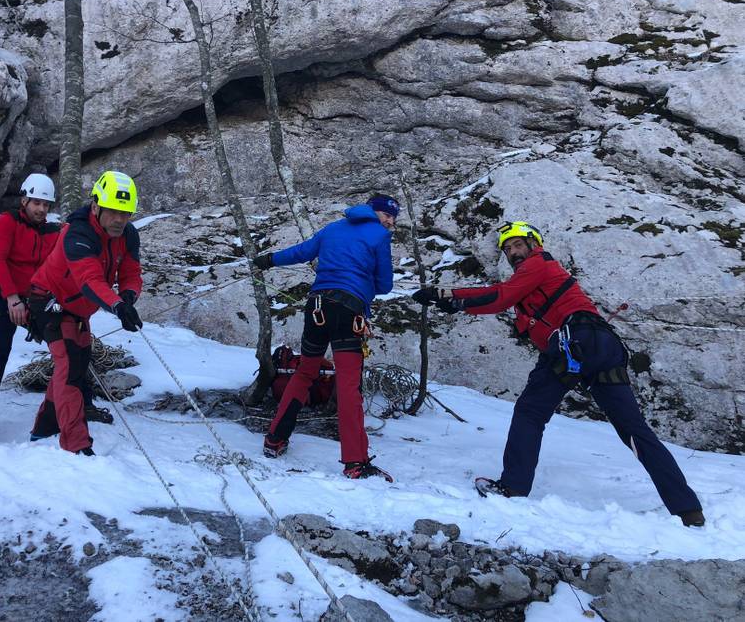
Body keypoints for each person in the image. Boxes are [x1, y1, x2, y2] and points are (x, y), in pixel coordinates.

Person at [413, 221, 705, 526]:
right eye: (508, 248)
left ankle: (513, 488)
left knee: (530, 412)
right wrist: (453, 301)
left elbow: (498, 296)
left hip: (572, 342)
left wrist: (445, 294)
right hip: (601, 347)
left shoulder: (539, 263)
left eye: (517, 244)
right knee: (634, 430)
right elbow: (500, 296)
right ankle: (687, 509)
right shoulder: (534, 282)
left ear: (533, 244)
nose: (513, 252)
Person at [254, 194, 399, 481]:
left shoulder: (333, 228)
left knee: (305, 373)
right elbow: (384, 285)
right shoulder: (379, 235)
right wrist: (363, 279)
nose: (392, 222)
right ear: (377, 213)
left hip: (317, 306)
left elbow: (301, 252)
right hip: (349, 310)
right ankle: (356, 463)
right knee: (349, 386)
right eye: (389, 215)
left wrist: (268, 260)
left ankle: (274, 440)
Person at [27, 170, 143, 456]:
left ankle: (44, 426)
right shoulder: (77, 234)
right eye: (114, 212)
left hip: (79, 310)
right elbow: (90, 280)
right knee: (70, 370)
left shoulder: (127, 235)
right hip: (48, 303)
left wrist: (128, 297)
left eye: (126, 213)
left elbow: (130, 271)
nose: (120, 219)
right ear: (95, 206)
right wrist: (117, 306)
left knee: (75, 364)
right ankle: (76, 444)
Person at [0, 174, 60, 440]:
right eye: (37, 202)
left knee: (69, 342)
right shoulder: (6, 224)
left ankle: (81, 406)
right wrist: (12, 298)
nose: (41, 209)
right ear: (25, 200)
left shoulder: (52, 232)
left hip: (35, 297)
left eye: (46, 205)